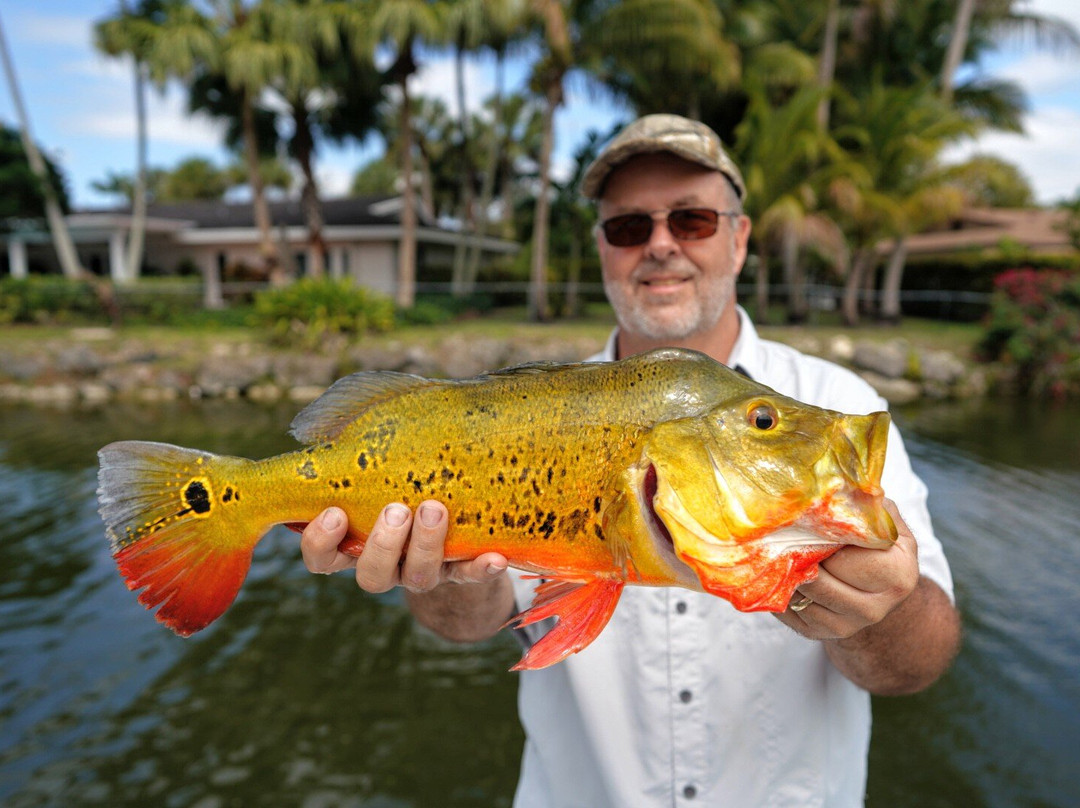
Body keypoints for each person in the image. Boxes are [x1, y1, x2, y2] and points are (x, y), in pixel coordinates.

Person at [300, 114, 961, 807]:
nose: (661, 245)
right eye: (628, 227)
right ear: (603, 250)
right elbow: (469, 625)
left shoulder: (836, 401)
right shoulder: (526, 408)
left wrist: (882, 610)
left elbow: (918, 665)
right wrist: (440, 577)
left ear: (738, 240)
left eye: (694, 220)